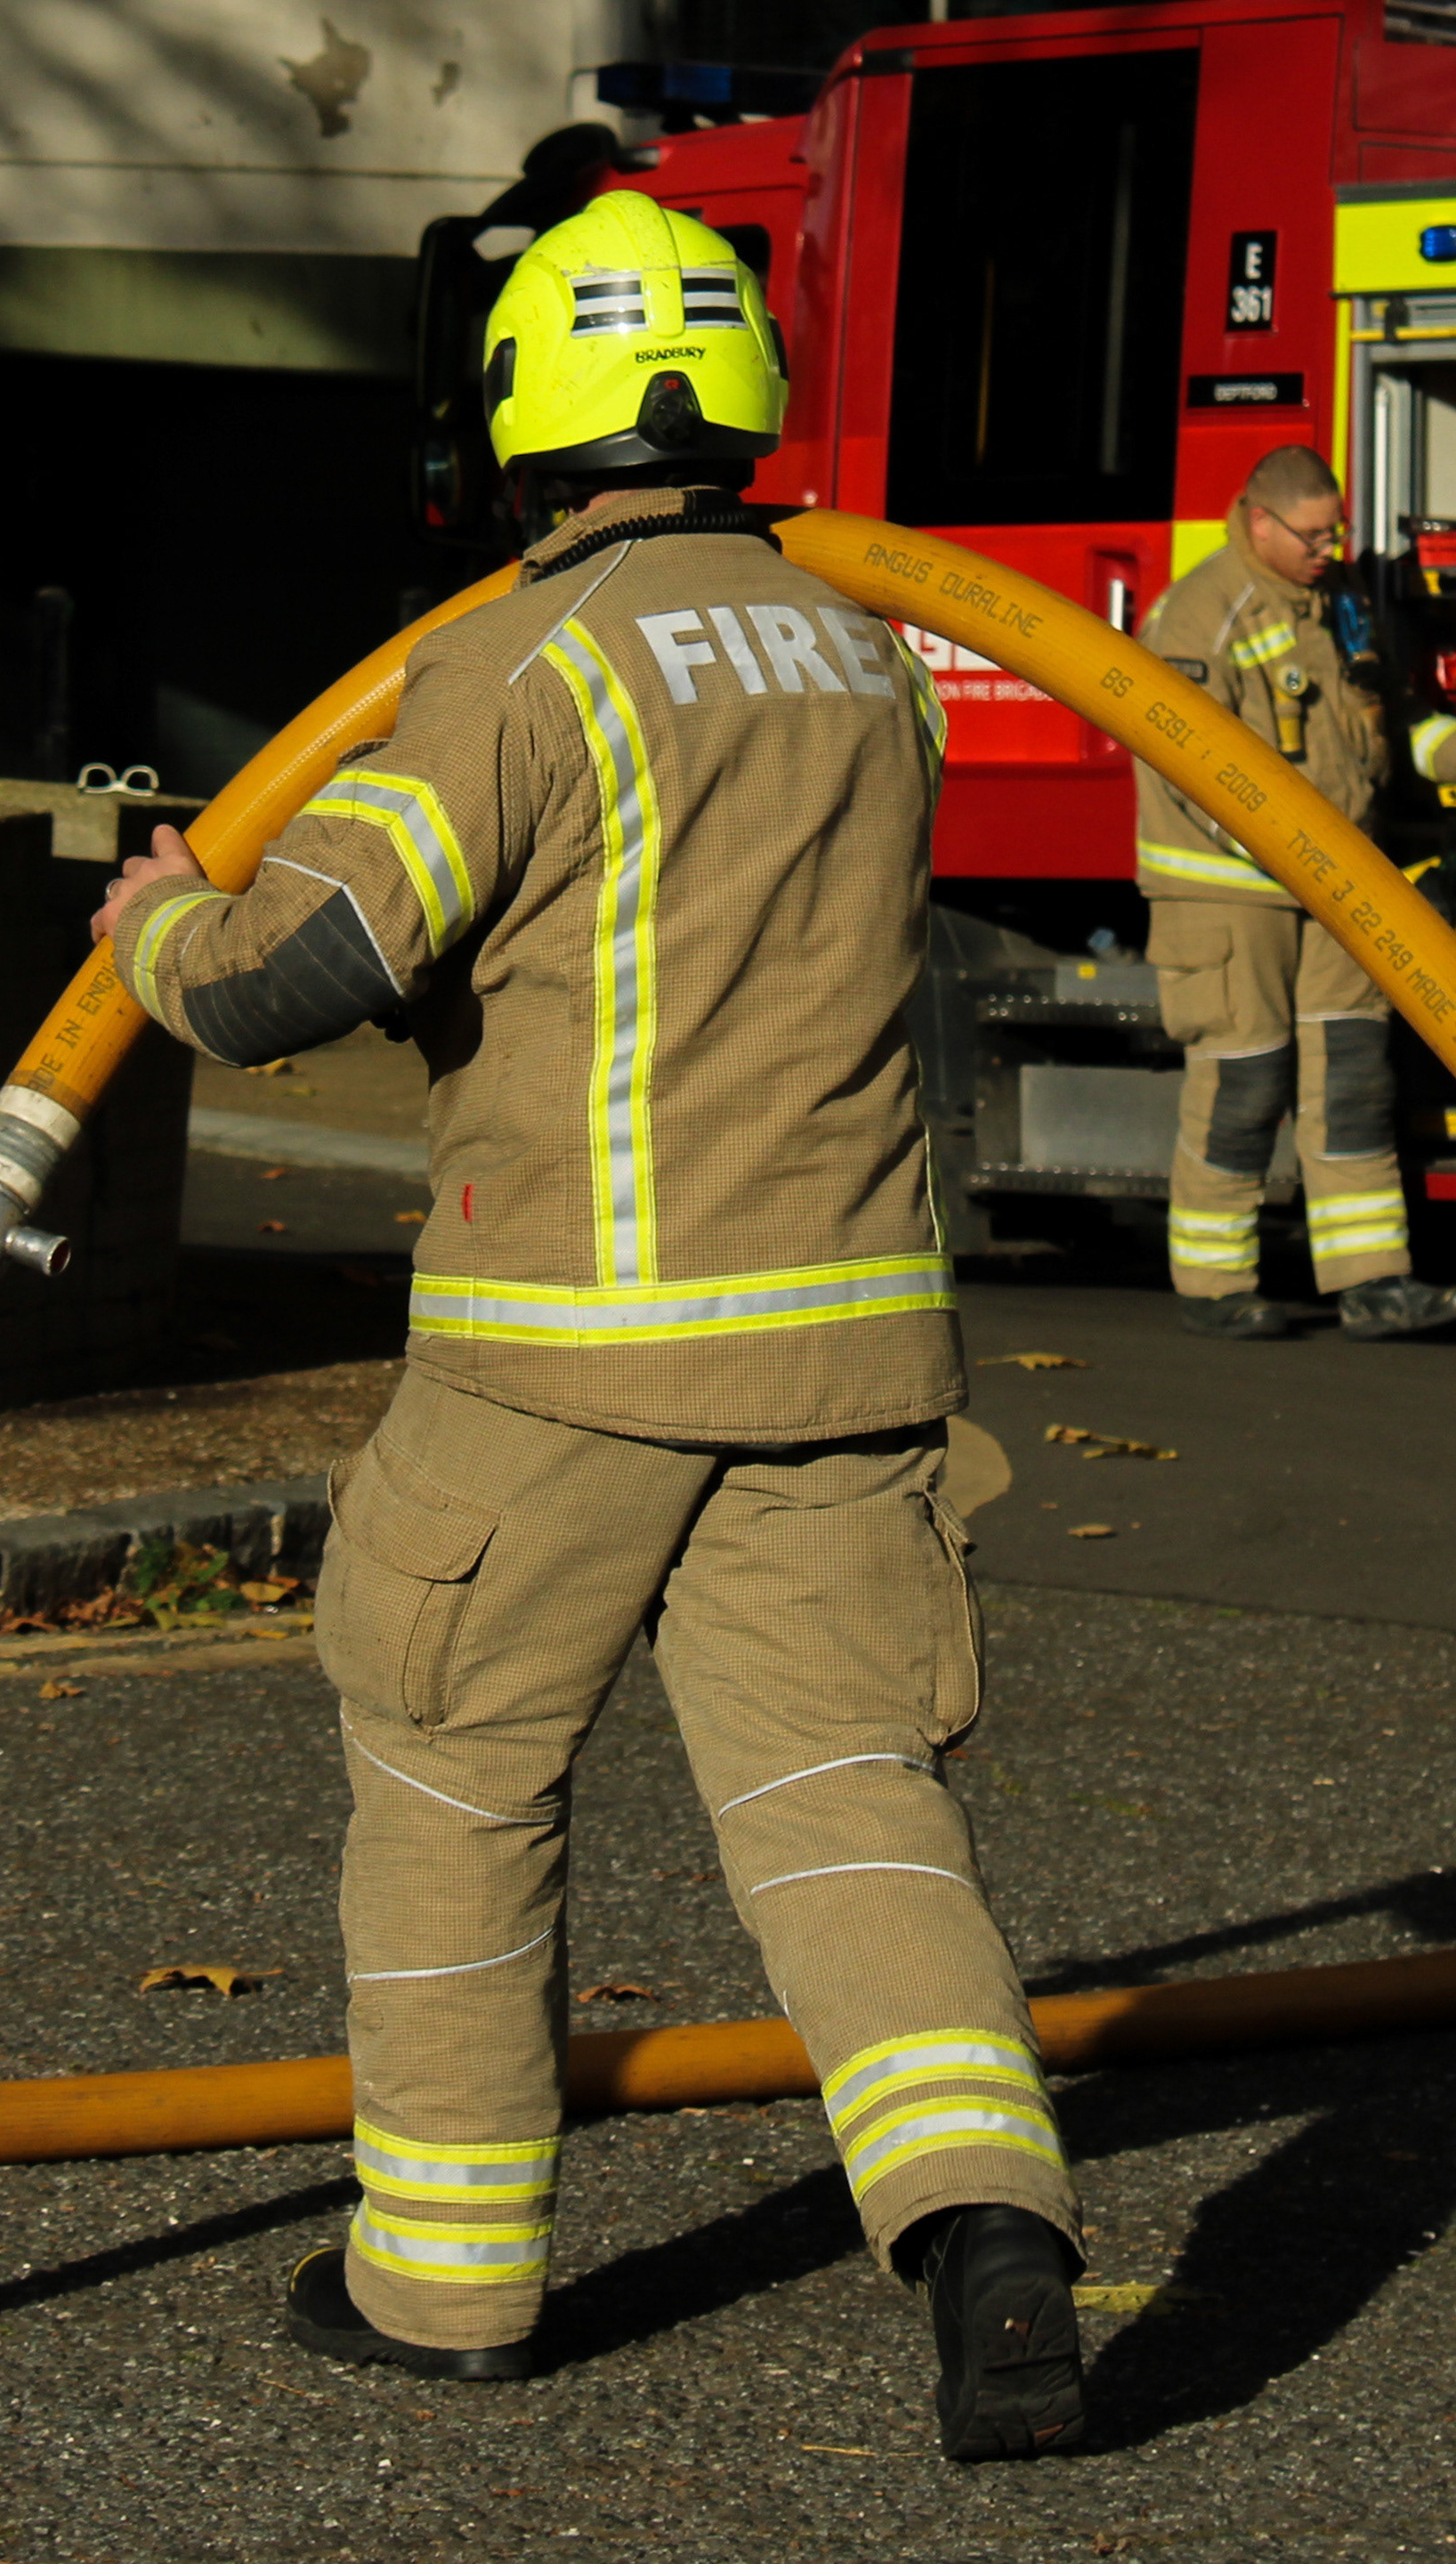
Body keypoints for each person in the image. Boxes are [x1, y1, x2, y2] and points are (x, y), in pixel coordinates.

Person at [92, 191, 1085, 2462]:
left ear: (517, 416)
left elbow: (305, 964)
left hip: (564, 1349)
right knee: (848, 1798)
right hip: (842, 1354)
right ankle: (988, 2222)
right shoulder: (861, 658)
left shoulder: (523, 660)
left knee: (451, 1765)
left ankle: (443, 2282)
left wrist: (158, 927)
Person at [1136, 443, 1456, 1340]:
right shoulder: (1201, 613)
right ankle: (1214, 1283)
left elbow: (1391, 725)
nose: (1329, 550)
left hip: (1340, 884)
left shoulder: (1341, 600)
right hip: (1232, 893)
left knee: (1353, 1074)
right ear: (1258, 519)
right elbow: (1186, 773)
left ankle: (1374, 1278)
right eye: (1312, 536)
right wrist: (1298, 855)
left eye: (1335, 533)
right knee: (1244, 1078)